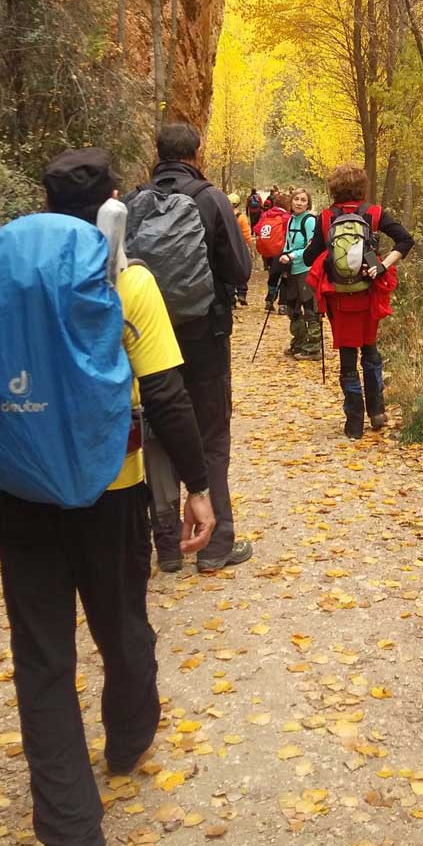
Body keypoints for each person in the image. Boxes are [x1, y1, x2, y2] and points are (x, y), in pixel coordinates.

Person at [0, 148, 215, 846]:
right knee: (122, 625)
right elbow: (168, 394)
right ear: (116, 203)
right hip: (111, 489)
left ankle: (72, 844)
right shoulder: (131, 280)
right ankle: (128, 739)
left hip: (21, 492)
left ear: (43, 205)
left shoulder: (1, 275)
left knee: (43, 660)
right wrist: (199, 488)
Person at [126, 123, 253, 574]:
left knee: (157, 433)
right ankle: (216, 545)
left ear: (155, 152)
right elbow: (240, 270)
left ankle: (166, 547)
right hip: (204, 339)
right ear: (197, 152)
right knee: (213, 437)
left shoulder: (131, 203)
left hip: (144, 340)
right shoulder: (211, 199)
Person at [303, 163, 413, 439]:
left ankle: (354, 423)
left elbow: (308, 259)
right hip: (369, 294)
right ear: (362, 187)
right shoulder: (374, 214)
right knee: (371, 351)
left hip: (341, 299)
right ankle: (377, 412)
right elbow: (405, 240)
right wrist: (383, 265)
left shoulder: (326, 218)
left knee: (348, 357)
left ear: (334, 188)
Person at [278, 187, 320, 360]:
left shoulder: (309, 221)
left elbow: (312, 246)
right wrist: (283, 255)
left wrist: (292, 255)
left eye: (303, 200)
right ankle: (299, 341)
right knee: (291, 306)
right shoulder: (291, 220)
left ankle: (313, 347)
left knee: (309, 306)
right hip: (291, 269)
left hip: (306, 269)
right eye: (296, 199)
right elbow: (289, 242)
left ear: (308, 203)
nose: (299, 203)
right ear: (291, 201)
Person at [228, 192, 252, 306]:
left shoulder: (225, 215)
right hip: (240, 247)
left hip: (228, 247)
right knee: (242, 269)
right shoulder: (241, 217)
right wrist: (249, 247)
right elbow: (247, 234)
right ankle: (242, 293)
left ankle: (231, 297)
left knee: (230, 271)